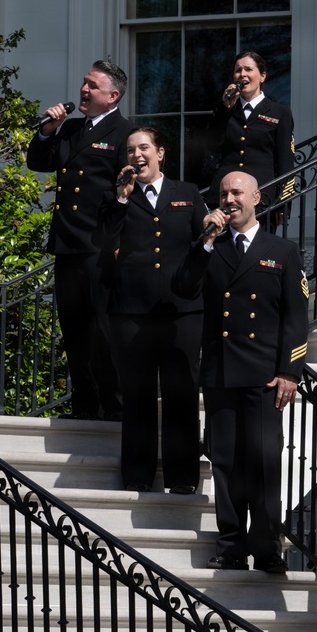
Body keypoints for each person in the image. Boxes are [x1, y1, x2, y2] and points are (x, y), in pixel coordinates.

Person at [172, 170, 309, 573]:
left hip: (266, 376)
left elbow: (296, 319)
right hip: (221, 373)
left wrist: (290, 371)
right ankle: (231, 545)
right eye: (222, 194)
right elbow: (182, 287)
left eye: (236, 193)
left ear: (257, 198)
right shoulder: (210, 247)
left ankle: (267, 548)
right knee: (226, 463)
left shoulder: (281, 250)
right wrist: (205, 242)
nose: (229, 200)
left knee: (264, 462)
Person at [93, 128, 206, 493]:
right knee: (138, 394)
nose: (136, 155)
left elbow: (204, 241)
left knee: (181, 393)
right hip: (132, 311)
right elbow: (103, 242)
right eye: (130, 150)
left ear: (160, 153)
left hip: (182, 310)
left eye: (143, 148)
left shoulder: (186, 193)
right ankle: (138, 475)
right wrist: (122, 199)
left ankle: (183, 477)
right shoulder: (117, 197)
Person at [26, 59, 133, 420]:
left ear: (112, 95)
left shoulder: (124, 134)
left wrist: (122, 241)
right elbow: (39, 163)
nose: (83, 90)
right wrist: (48, 131)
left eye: (92, 86)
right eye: (84, 84)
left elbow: (129, 194)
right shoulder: (71, 128)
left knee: (103, 331)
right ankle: (84, 404)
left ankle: (114, 406)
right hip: (67, 245)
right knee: (74, 330)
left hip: (100, 248)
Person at [207, 51, 295, 217]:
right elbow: (210, 146)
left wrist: (284, 203)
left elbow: (286, 160)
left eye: (248, 69)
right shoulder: (226, 110)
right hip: (225, 198)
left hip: (261, 199)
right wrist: (225, 108)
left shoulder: (279, 112)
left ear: (262, 76)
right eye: (238, 70)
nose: (242, 74)